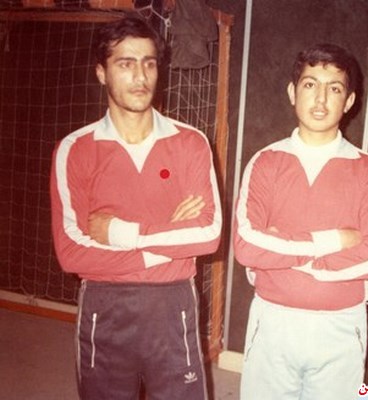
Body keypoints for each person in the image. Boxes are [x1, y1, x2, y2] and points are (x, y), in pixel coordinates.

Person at [50, 14, 221, 400]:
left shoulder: (190, 142)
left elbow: (208, 235)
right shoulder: (74, 149)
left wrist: (119, 233)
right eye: (125, 64)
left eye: (149, 63)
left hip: (173, 303)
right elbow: (71, 252)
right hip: (105, 306)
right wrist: (168, 245)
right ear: (101, 72)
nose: (140, 76)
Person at [233, 43, 368, 400]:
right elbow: (246, 246)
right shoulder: (266, 161)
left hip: (341, 326)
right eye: (310, 85)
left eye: (334, 88)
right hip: (273, 321)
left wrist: (285, 253)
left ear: (349, 101)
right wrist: (335, 240)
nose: (321, 99)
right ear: (293, 93)